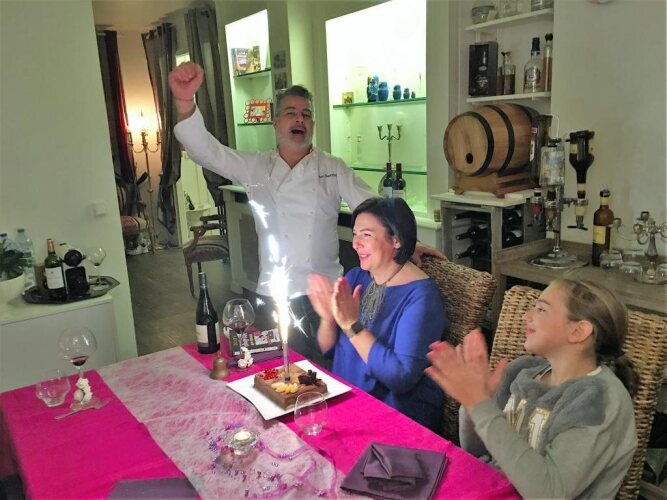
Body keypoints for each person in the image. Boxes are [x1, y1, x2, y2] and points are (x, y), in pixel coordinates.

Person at [168, 62, 445, 365]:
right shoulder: (254, 167)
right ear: (276, 122)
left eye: (306, 114)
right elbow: (208, 153)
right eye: (291, 113)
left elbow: (373, 209)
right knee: (283, 371)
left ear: (312, 125)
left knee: (330, 372)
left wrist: (408, 242)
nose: (300, 119)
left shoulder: (332, 168)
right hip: (276, 293)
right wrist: (185, 101)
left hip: (326, 294)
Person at [426, 279, 637, 499]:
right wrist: (474, 406)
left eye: (542, 309)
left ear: (578, 331)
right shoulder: (522, 370)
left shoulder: (599, 400)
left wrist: (479, 404)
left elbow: (550, 493)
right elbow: (479, 454)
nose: (526, 316)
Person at [308, 197, 447, 432]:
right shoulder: (356, 277)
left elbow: (400, 378)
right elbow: (327, 350)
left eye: (366, 235)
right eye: (355, 234)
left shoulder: (422, 298)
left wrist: (352, 325)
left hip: (391, 419)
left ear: (396, 239)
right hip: (345, 403)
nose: (355, 243)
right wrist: (328, 319)